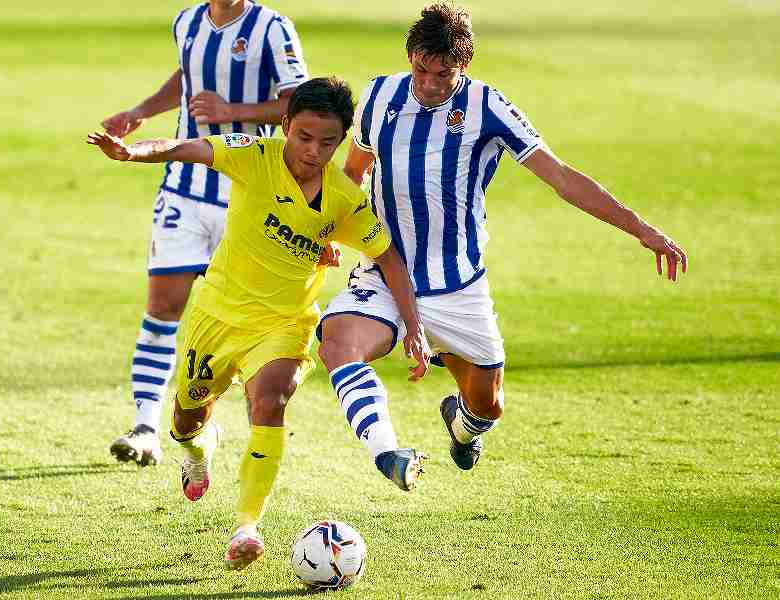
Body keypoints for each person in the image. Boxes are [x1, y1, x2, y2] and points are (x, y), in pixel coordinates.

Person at [317, 3, 688, 482]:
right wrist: (331, 232)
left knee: (487, 406)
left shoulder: (487, 107)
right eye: (422, 70)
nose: (430, 84)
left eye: (443, 74)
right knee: (338, 343)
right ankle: (389, 454)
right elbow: (353, 172)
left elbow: (560, 177)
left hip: (458, 286)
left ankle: (463, 425)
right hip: (385, 271)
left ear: (463, 66)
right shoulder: (379, 96)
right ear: (410, 56)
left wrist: (643, 230)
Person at [88, 77, 431, 570]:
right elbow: (185, 148)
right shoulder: (254, 154)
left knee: (271, 400)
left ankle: (246, 528)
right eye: (304, 137)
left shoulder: (342, 198)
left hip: (284, 324)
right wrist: (131, 153)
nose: (314, 151)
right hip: (218, 313)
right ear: (287, 125)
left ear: (341, 141)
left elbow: (390, 259)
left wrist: (414, 328)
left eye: (328, 143)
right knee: (186, 420)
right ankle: (199, 450)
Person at [103, 0, 309, 466]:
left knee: (240, 320)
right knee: (162, 308)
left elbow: (301, 104)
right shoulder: (187, 20)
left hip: (247, 195)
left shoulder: (273, 28)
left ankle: (206, 423)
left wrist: (232, 110)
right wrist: (141, 111)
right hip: (184, 190)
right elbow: (187, 76)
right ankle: (145, 427)